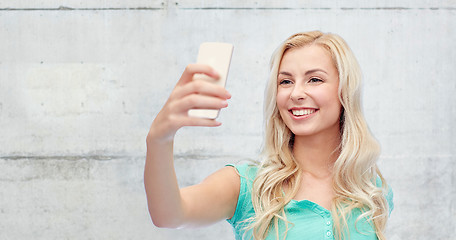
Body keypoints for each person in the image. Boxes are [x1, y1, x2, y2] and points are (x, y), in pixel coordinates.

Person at [144, 31, 393, 240]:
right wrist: (158, 139)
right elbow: (169, 215)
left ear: (345, 91)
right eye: (285, 82)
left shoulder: (371, 189)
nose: (296, 93)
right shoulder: (247, 185)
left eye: (314, 79)